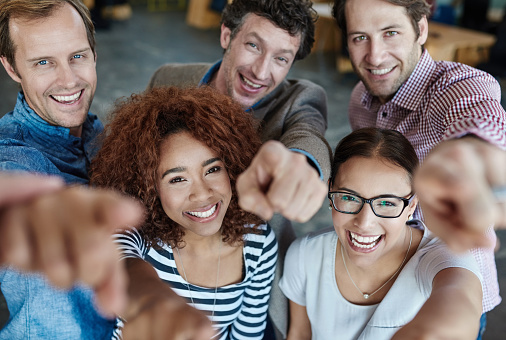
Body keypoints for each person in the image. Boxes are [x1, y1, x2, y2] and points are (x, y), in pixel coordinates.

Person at [0, 1, 210, 339]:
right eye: (43, 62)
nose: (68, 80)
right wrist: (150, 298)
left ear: (94, 53)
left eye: (77, 56)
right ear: (11, 68)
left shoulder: (102, 137)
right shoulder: (13, 158)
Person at [148, 1, 330, 336]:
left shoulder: (300, 99)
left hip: (249, 286)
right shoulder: (168, 79)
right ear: (227, 35)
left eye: (281, 58)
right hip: (163, 265)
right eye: (253, 46)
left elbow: (308, 136)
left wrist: (298, 165)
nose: (262, 72)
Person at [332, 0, 506, 324]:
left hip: (449, 290)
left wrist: (471, 153)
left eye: (390, 33)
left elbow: (478, 110)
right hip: (382, 282)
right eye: (359, 38)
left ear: (421, 29)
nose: (375, 56)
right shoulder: (360, 98)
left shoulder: (454, 85)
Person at [90, 86, 278, 340]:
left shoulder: (258, 241)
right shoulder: (138, 230)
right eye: (178, 179)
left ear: (233, 167)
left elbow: (248, 335)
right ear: (149, 187)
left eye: (212, 170)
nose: (202, 194)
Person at [280, 127, 483, 340]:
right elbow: (299, 335)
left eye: (386, 203)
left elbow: (461, 293)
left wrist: (441, 325)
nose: (365, 223)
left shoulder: (439, 256)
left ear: (412, 206)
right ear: (331, 192)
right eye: (349, 198)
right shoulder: (304, 255)